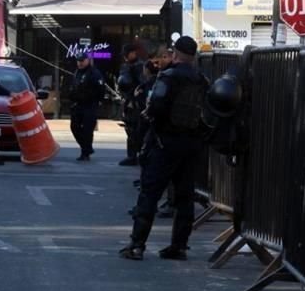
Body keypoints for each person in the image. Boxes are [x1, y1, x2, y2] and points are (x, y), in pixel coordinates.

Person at [120, 36, 208, 261]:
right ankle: (179, 246)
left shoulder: (168, 77)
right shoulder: (201, 80)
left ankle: (137, 244)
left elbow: (155, 108)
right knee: (184, 197)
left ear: (176, 54)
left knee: (149, 194)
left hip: (164, 143)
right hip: (190, 145)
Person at [68, 52, 104, 162]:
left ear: (88, 60)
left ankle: (85, 152)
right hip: (78, 105)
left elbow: (101, 89)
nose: (80, 63)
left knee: (87, 130)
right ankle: (87, 148)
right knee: (74, 127)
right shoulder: (77, 72)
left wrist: (97, 100)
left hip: (90, 105)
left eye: (82, 60)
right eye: (78, 61)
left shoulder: (94, 73)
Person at [117, 43, 145, 166]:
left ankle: (135, 155)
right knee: (130, 129)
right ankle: (132, 155)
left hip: (135, 103)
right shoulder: (128, 66)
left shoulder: (139, 66)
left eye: (127, 54)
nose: (125, 57)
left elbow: (141, 84)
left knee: (135, 130)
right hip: (129, 101)